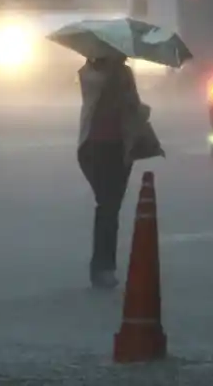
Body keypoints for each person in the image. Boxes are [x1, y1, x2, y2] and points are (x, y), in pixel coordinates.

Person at [77, 54, 144, 289]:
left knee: (107, 206)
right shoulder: (109, 75)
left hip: (99, 146)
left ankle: (102, 267)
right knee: (109, 207)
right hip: (109, 146)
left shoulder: (89, 72)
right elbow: (130, 106)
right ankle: (103, 267)